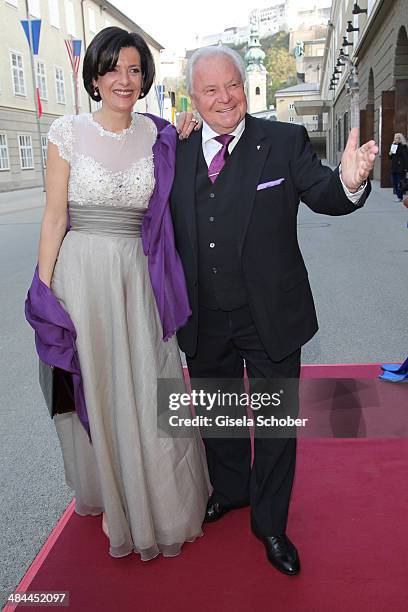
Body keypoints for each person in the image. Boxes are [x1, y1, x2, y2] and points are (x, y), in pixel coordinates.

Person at [170, 45, 378, 575]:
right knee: (218, 417)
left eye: (232, 85)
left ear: (245, 86)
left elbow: (324, 191)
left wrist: (350, 182)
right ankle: (233, 490)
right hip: (205, 315)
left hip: (271, 315)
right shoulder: (176, 149)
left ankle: (270, 522)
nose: (224, 97)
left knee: (275, 423)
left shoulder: (283, 141)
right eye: (210, 89)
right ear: (192, 98)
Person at [26, 27, 210, 560]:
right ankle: (113, 493)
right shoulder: (66, 132)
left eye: (133, 69)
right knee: (98, 384)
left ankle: (159, 501)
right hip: (81, 274)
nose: (123, 80)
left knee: (147, 380)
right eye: (112, 69)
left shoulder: (159, 137)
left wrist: (184, 128)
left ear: (145, 77)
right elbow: (55, 216)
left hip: (137, 273)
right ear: (95, 76)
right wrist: (44, 290)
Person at [389, 133, 408, 202]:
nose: (395, 139)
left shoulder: (403, 147)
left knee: (400, 183)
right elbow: (391, 157)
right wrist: (390, 154)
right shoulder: (394, 146)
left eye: (396, 138)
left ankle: (400, 197)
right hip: (394, 167)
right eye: (394, 138)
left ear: (400, 139)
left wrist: (406, 168)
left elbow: (406, 158)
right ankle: (398, 195)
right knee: (394, 182)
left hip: (400, 168)